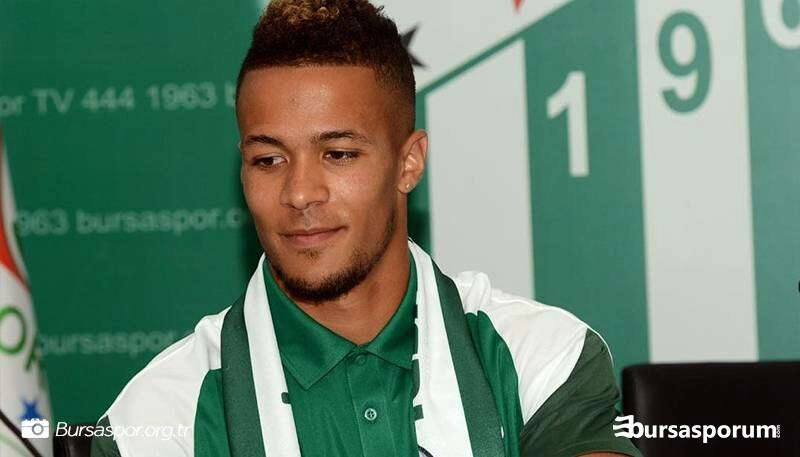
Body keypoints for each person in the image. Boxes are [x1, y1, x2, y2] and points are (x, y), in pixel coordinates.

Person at [91, 1, 642, 456]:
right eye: (268, 160)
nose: (299, 193)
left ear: (409, 162)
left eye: (338, 153)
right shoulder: (158, 418)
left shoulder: (540, 356)